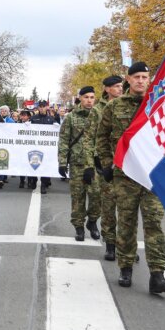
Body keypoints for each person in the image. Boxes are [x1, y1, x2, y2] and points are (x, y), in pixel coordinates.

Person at [95, 62, 165, 294]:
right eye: (136, 77)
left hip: (152, 177)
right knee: (126, 223)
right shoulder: (114, 107)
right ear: (127, 80)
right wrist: (107, 164)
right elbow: (102, 136)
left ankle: (157, 274)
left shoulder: (158, 106)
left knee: (154, 223)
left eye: (144, 77)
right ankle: (126, 267)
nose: (141, 80)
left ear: (150, 80)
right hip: (125, 175)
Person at [85, 74, 123, 260]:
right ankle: (110, 244)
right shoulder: (97, 110)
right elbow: (89, 138)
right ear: (107, 89)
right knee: (108, 206)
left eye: (121, 86)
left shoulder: (129, 106)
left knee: (126, 209)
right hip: (105, 164)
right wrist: (91, 164)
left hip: (126, 165)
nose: (120, 89)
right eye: (116, 86)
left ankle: (126, 246)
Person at [59, 86, 100, 241]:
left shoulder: (99, 116)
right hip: (77, 164)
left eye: (92, 97)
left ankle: (92, 221)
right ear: (80, 98)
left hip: (95, 164)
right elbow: (64, 140)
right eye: (86, 97)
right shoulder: (71, 117)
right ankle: (79, 227)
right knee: (78, 198)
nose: (89, 100)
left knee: (97, 196)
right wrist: (62, 162)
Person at [29, 101, 57, 193]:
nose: (41, 108)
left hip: (47, 146)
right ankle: (33, 180)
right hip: (35, 145)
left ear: (47, 107)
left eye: (43, 106)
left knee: (46, 165)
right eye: (40, 107)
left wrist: (56, 126)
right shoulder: (33, 118)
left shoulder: (51, 119)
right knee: (34, 162)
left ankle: (44, 184)